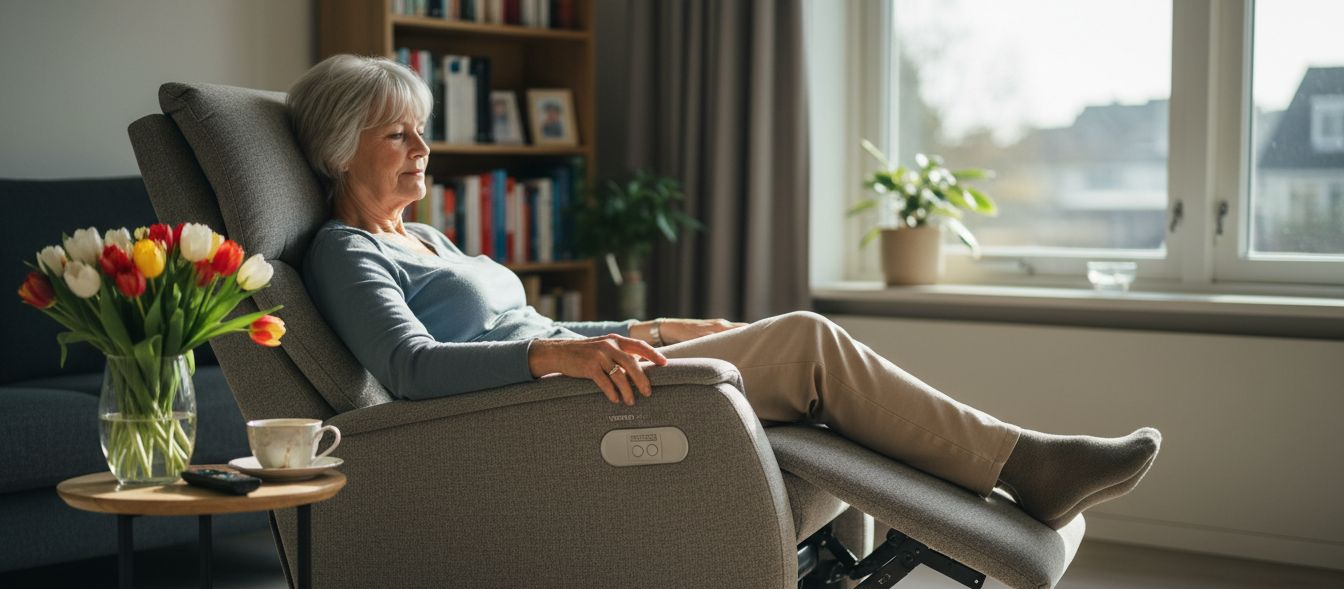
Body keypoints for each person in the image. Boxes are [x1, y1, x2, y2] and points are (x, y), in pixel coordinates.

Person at [288, 54, 1160, 531]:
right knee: (805, 344)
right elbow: (408, 369)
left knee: (785, 348)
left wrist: (647, 324)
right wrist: (557, 355)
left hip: (586, 373)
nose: (421, 148)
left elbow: (536, 322)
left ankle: (1014, 468)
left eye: (423, 132)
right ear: (339, 146)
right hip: (542, 414)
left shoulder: (427, 239)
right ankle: (1028, 465)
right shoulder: (343, 250)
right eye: (397, 133)